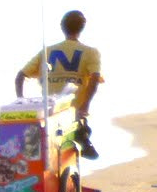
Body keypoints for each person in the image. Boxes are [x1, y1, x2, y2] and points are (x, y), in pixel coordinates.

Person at [16, 9, 102, 160]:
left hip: (48, 113)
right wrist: (85, 105)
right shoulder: (90, 52)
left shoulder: (47, 51)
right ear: (82, 28)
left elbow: (20, 76)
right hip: (73, 114)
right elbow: (94, 80)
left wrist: (20, 102)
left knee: (46, 152)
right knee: (69, 149)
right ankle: (83, 138)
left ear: (62, 27)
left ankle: (83, 137)